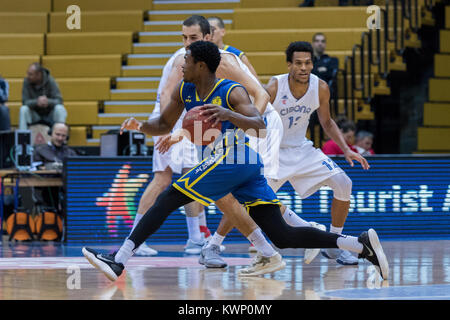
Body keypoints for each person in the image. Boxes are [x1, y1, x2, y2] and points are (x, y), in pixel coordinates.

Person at [82, 40, 389, 282]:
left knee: (170, 196)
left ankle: (119, 260)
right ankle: (359, 245)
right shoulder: (185, 89)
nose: (182, 64)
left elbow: (260, 124)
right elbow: (163, 124)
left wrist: (230, 114)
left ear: (201, 65)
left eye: (186, 60)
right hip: (237, 167)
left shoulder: (231, 90)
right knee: (282, 235)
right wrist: (140, 126)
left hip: (234, 157)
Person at [202, 41, 369, 266]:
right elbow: (255, 116)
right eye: (298, 63)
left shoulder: (320, 87)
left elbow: (327, 121)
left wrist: (347, 149)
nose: (303, 67)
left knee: (344, 183)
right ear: (289, 64)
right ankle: (213, 245)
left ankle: (334, 245)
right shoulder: (274, 86)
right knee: (247, 202)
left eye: (308, 63)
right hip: (273, 151)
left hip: (302, 149)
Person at [130, 15, 283, 257]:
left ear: (208, 38)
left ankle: (205, 241)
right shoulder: (182, 61)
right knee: (183, 182)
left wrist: (248, 126)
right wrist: (172, 130)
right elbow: (167, 99)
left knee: (224, 187)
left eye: (193, 38)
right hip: (190, 123)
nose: (187, 43)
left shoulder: (225, 61)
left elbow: (259, 94)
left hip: (251, 122)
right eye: (184, 37)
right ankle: (201, 241)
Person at [33, 122, 77, 213]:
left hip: (66, 189)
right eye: (57, 134)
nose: (60, 138)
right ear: (50, 133)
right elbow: (35, 169)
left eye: (63, 136)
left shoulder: (70, 152)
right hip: (46, 189)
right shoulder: (40, 150)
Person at [19, 63, 67, 130]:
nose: (28, 76)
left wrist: (48, 102)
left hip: (50, 115)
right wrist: (37, 102)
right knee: (23, 109)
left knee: (60, 109)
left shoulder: (50, 81)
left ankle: (60, 135)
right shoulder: (26, 81)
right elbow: (25, 102)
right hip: (34, 115)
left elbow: (59, 100)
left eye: (30, 74)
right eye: (28, 73)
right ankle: (22, 138)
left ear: (39, 75)